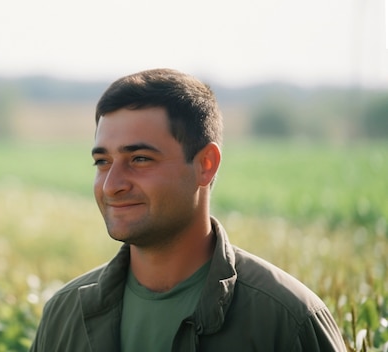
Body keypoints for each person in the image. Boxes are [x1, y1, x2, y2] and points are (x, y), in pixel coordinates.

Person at [29, 68, 346, 351]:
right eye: (102, 162)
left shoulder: (287, 321)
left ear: (205, 165)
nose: (112, 185)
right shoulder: (64, 315)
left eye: (139, 159)